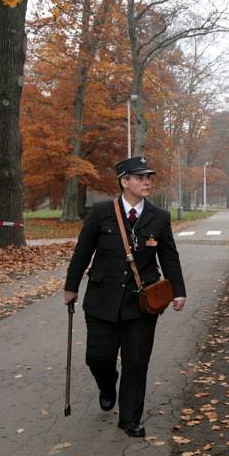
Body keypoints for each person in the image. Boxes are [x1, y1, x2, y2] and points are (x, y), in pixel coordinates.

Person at [63, 156, 186, 438]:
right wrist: (71, 287)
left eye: (148, 177)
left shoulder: (159, 217)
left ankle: (130, 418)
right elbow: (82, 252)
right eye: (140, 177)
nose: (146, 182)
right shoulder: (102, 213)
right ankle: (107, 386)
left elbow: (169, 257)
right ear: (124, 181)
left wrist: (178, 291)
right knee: (98, 357)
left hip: (141, 305)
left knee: (136, 362)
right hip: (101, 301)